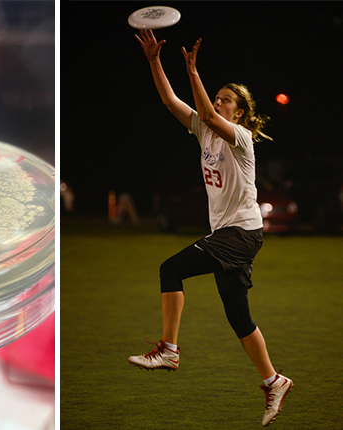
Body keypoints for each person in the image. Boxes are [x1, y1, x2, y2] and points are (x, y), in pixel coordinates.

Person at [127, 30, 293, 427]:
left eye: (226, 101)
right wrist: (154, 60)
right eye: (216, 97)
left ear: (238, 113)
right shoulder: (205, 131)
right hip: (231, 235)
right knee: (238, 316)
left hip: (240, 233)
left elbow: (204, 113)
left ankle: (169, 348)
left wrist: (193, 70)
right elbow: (170, 101)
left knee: (171, 268)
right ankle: (274, 380)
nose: (218, 103)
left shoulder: (240, 138)